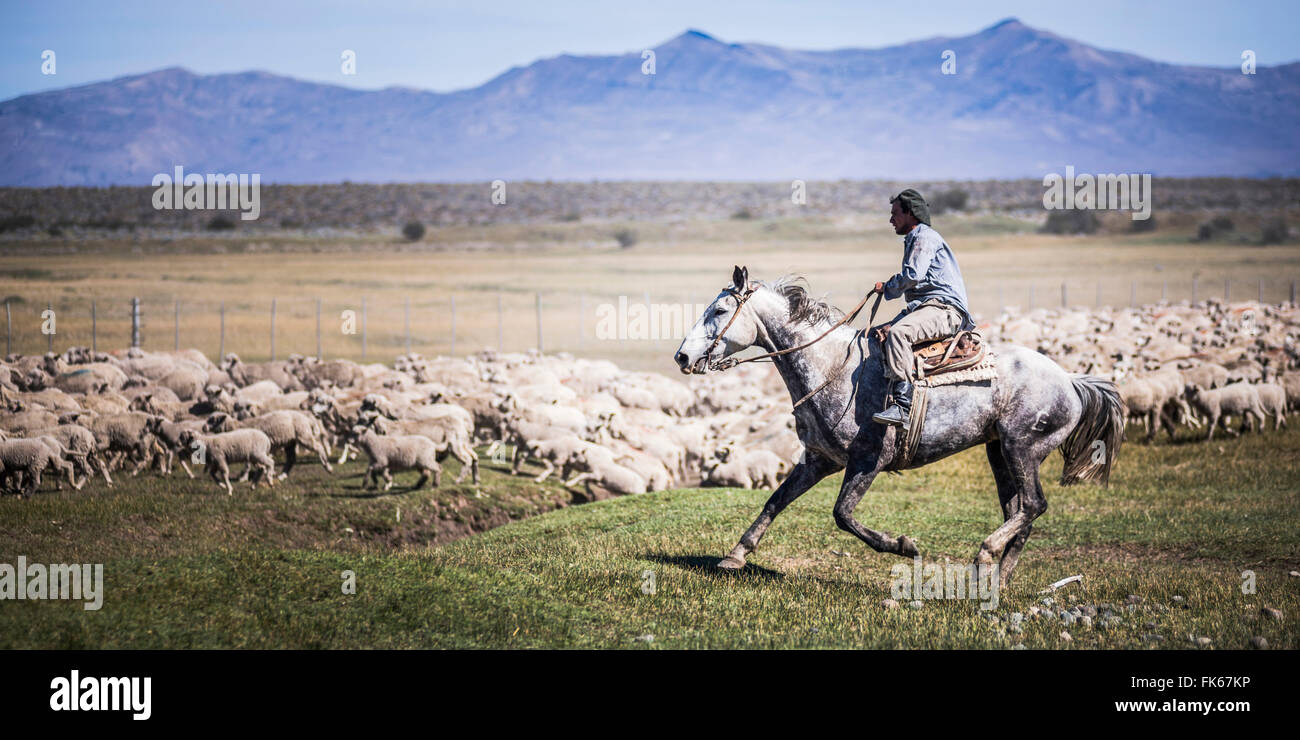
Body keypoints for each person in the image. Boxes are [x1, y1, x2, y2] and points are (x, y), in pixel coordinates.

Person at [871, 189, 975, 427]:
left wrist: (888, 287)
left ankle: (903, 407)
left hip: (944, 309)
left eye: (895, 213)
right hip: (926, 307)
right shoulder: (914, 239)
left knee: (898, 333)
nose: (891, 220)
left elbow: (913, 275)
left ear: (911, 214)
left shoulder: (923, 237)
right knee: (877, 335)